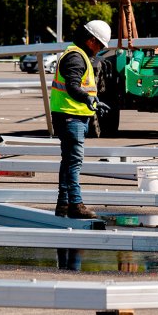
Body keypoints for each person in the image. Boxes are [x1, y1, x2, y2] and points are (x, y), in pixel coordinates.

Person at [51, 20, 112, 219]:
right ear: (91, 40)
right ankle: (76, 204)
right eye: (101, 45)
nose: (101, 49)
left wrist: (92, 101)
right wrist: (87, 98)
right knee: (74, 163)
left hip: (72, 116)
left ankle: (64, 205)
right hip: (71, 117)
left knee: (68, 162)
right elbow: (73, 86)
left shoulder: (77, 54)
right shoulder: (76, 57)